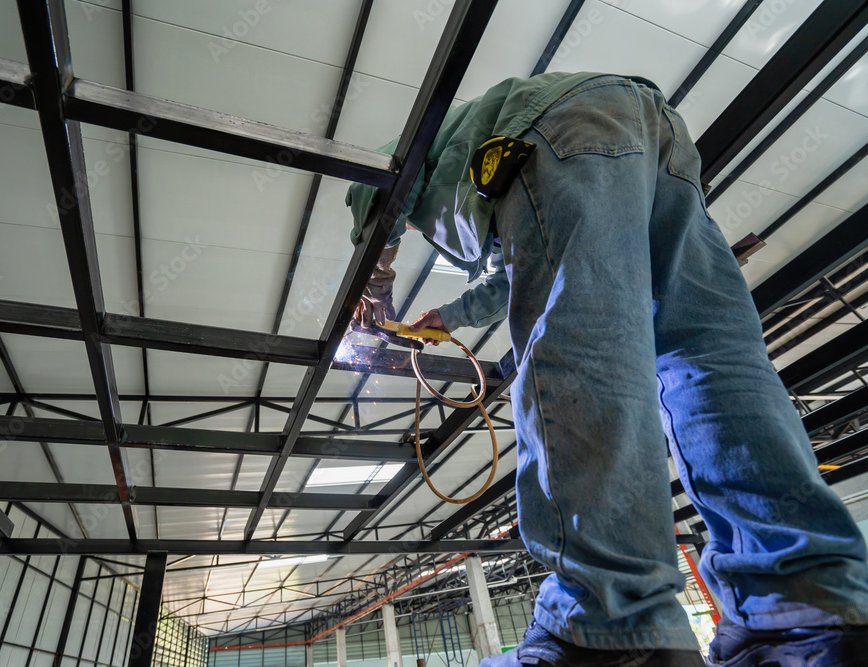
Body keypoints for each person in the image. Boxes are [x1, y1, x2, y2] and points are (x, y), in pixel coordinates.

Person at [346, 73, 868, 666]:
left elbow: (379, 184)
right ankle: (807, 604)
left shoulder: (444, 148)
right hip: (656, 137)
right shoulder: (511, 195)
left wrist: (375, 274)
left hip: (560, 134)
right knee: (708, 356)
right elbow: (509, 274)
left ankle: (605, 625)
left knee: (583, 344)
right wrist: (448, 315)